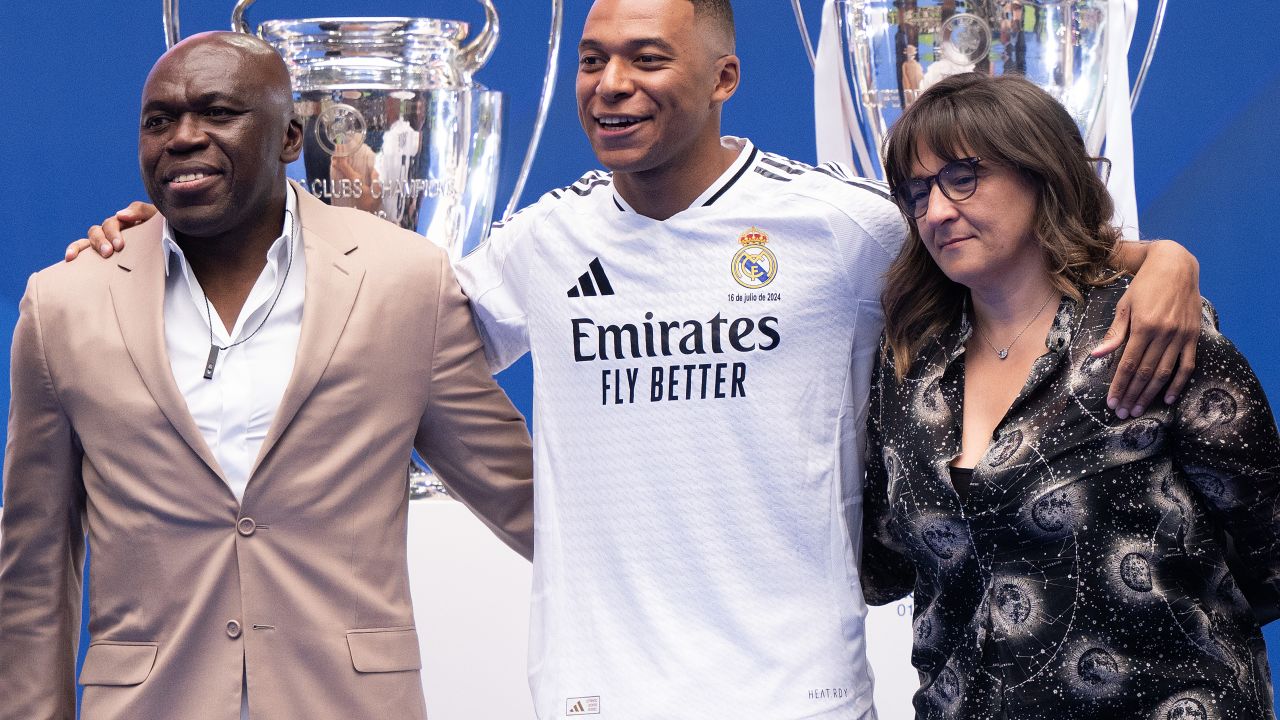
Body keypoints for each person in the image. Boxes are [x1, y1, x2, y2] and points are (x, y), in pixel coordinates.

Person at [66, 2, 1204, 717]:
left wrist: (1159, 260)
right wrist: (172, 229)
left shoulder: (843, 223)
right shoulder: (539, 243)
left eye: (647, 58)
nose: (608, 83)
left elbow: (1015, 238)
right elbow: (351, 323)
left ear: (720, 81)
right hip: (592, 692)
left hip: (792, 693)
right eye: (594, 59)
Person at [0, 32, 534, 720]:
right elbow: (34, 573)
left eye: (218, 113)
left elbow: (525, 500)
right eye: (159, 120)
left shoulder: (405, 280)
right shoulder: (64, 302)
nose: (184, 137)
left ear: (289, 138)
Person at [861, 72, 1280, 719]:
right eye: (918, 193)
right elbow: (883, 564)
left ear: (1041, 172)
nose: (937, 211)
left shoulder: (1148, 327)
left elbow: (1268, 557)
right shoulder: (910, 364)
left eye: (963, 177)